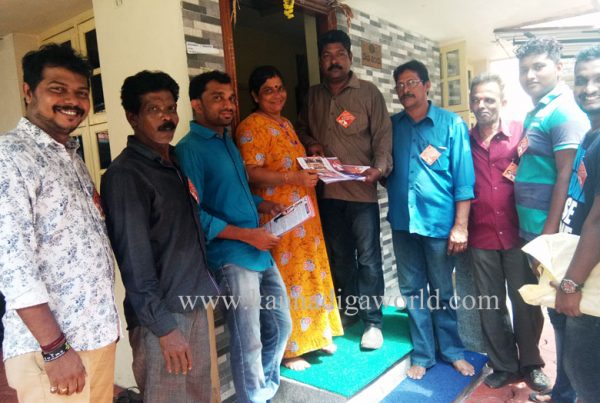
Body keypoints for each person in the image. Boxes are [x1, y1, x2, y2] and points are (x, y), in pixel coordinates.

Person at [0, 44, 119, 402]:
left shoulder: (69, 156)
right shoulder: (10, 156)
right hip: (53, 350)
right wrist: (54, 349)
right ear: (28, 92)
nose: (73, 101)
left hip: (95, 336)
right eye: (57, 89)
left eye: (81, 93)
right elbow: (12, 263)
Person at [101, 70, 219, 402]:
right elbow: (135, 262)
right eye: (154, 110)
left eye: (170, 108)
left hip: (191, 301)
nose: (167, 118)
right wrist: (165, 328)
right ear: (132, 117)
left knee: (198, 395)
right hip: (162, 317)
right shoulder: (126, 175)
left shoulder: (172, 161)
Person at [176, 71, 292, 403]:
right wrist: (248, 236)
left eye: (230, 98)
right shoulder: (190, 150)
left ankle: (261, 392)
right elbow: (194, 214)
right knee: (248, 339)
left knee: (281, 325)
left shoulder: (227, 141)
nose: (227, 105)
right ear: (197, 104)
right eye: (217, 98)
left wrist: (264, 204)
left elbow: (232, 194)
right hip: (231, 257)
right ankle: (254, 397)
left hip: (257, 251)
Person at [234, 65, 343, 371]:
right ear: (255, 95)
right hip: (279, 214)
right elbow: (250, 172)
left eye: (280, 88)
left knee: (312, 271)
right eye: (268, 90)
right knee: (287, 280)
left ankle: (318, 335)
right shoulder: (250, 127)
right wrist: (293, 178)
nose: (277, 95)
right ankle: (291, 349)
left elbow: (291, 163)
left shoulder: (285, 122)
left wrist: (314, 167)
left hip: (305, 214)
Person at [296, 29, 392, 350]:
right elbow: (301, 128)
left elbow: (382, 136)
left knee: (368, 259)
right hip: (327, 194)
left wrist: (380, 168)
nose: (333, 61)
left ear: (350, 58)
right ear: (320, 61)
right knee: (339, 258)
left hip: (362, 194)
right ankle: (349, 312)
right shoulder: (312, 96)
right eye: (327, 56)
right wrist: (311, 142)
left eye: (339, 54)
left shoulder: (368, 93)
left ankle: (373, 322)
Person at [386, 59, 475, 380]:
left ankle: (452, 351)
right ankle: (423, 354)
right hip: (402, 223)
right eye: (400, 85)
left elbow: (464, 180)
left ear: (426, 86)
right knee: (412, 291)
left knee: (442, 291)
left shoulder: (451, 124)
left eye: (411, 83)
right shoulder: (391, 126)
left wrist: (461, 225)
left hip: (438, 224)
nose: (405, 90)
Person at [514, 37, 589, 400]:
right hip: (536, 233)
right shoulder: (539, 111)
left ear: (559, 68)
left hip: (554, 239)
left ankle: (566, 394)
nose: (530, 75)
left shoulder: (564, 112)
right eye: (524, 69)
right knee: (556, 316)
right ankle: (563, 391)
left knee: (566, 319)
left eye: (538, 66)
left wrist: (546, 240)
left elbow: (567, 175)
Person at [466, 73, 547, 388]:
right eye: (476, 99)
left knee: (525, 301)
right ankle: (503, 365)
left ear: (502, 101)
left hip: (517, 234)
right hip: (481, 234)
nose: (482, 105)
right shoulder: (465, 140)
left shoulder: (519, 133)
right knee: (490, 304)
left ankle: (531, 363)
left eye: (489, 99)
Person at [554, 45, 600, 403]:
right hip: (579, 268)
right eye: (581, 80)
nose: (589, 88)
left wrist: (571, 283)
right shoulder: (590, 137)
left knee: (587, 376)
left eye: (597, 79)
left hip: (592, 280)